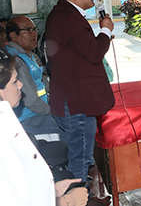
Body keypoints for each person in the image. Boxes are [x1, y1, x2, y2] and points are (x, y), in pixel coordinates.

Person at [45, 0, 115, 182]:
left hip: (77, 100)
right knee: (80, 158)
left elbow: (83, 52)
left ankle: (82, 196)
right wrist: (105, 31)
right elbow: (94, 53)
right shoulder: (68, 17)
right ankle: (78, 198)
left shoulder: (66, 15)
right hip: (76, 103)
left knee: (83, 156)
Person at [0, 49, 90, 206]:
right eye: (15, 81)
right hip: (31, 119)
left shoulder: (6, 122)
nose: (20, 85)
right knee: (73, 125)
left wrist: (50, 191)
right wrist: (64, 202)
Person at [4, 17, 62, 135]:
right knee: (70, 126)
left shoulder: (29, 55)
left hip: (38, 112)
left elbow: (44, 84)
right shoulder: (15, 59)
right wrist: (53, 112)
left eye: (34, 29)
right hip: (27, 118)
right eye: (28, 30)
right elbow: (30, 100)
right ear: (13, 35)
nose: (34, 33)